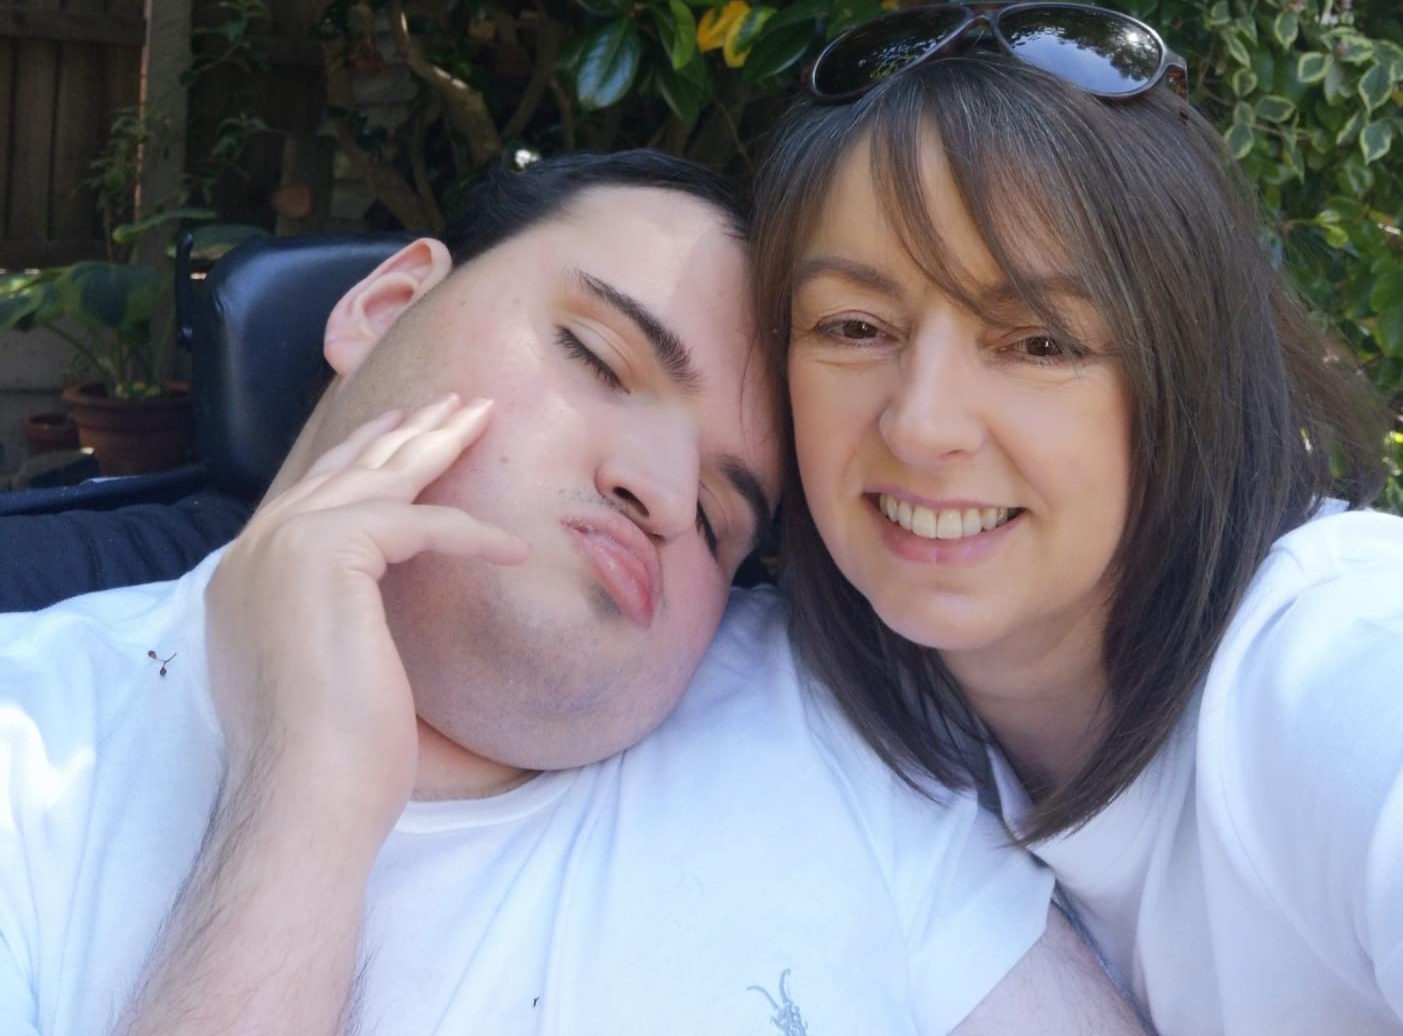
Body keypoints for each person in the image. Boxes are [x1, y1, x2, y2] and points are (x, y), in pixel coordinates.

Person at [0, 150, 1142, 1035]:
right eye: (597, 358)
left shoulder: (840, 725)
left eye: (719, 516)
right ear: (385, 305)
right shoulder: (31, 754)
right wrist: (304, 797)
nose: (657, 488)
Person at [750, 2, 1403, 1035]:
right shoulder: (801, 706)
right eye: (853, 327)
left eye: (1038, 343)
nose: (923, 422)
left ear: (1187, 375)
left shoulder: (1342, 661)